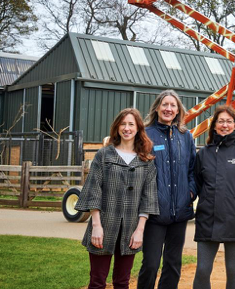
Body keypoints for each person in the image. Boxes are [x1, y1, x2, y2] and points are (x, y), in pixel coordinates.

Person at [76, 108, 158, 289]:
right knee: (97, 282)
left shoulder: (146, 160)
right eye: (123, 124)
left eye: (131, 124)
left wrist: (140, 230)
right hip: (104, 225)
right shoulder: (104, 155)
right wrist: (96, 226)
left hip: (131, 229)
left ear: (138, 128)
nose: (127, 128)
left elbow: (148, 197)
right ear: (117, 127)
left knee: (122, 282)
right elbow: (93, 190)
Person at [193, 106, 235, 289]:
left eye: (229, 121)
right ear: (214, 126)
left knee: (233, 269)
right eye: (220, 121)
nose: (225, 125)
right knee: (203, 270)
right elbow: (197, 183)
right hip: (208, 219)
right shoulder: (204, 153)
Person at [137, 90, 197, 289]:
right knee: (151, 264)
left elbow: (192, 170)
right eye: (165, 104)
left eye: (173, 105)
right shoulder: (145, 134)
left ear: (178, 110)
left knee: (173, 264)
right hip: (155, 212)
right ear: (157, 108)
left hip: (179, 212)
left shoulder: (186, 136)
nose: (168, 109)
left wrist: (190, 192)